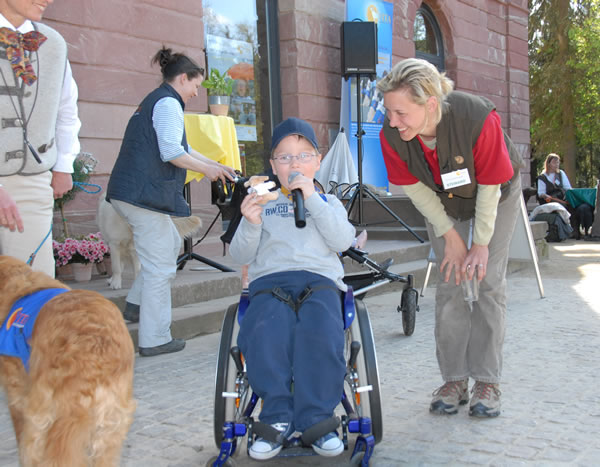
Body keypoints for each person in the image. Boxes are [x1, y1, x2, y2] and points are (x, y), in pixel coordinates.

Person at [378, 58, 524, 418]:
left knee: (488, 281)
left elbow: (489, 187)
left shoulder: (477, 118)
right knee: (451, 281)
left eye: (401, 113)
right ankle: (454, 380)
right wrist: (450, 236)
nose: (392, 121)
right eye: (389, 112)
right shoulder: (391, 135)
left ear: (430, 104)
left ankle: (487, 381)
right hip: (442, 202)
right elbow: (415, 189)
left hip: (495, 194)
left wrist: (480, 244)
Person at [229, 117, 355, 460]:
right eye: (284, 157)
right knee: (266, 331)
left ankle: (317, 419)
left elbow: (343, 241)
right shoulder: (261, 202)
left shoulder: (328, 202)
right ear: (273, 166)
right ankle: (276, 416)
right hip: (271, 282)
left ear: (317, 162)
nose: (294, 164)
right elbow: (239, 255)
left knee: (321, 331)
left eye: (303, 156)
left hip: (320, 282)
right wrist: (250, 223)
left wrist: (313, 199)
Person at [106, 47, 236, 357]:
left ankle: (136, 306)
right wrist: (209, 171)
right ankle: (154, 339)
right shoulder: (167, 103)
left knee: (165, 248)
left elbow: (181, 147)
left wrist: (216, 165)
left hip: (133, 193)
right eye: (195, 85)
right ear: (182, 78)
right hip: (142, 195)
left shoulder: (158, 100)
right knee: (161, 266)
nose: (196, 93)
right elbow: (172, 153)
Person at [0, 0, 80, 276]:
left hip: (32, 181)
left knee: (33, 283)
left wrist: (64, 165)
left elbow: (67, 109)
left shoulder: (53, 43)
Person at [536, 153, 593, 238]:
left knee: (575, 206)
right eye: (554, 162)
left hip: (562, 198)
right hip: (550, 200)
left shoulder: (561, 173)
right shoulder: (542, 177)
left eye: (558, 162)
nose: (556, 164)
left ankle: (575, 230)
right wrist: (546, 196)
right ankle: (570, 230)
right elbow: (541, 193)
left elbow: (567, 188)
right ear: (548, 164)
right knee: (562, 207)